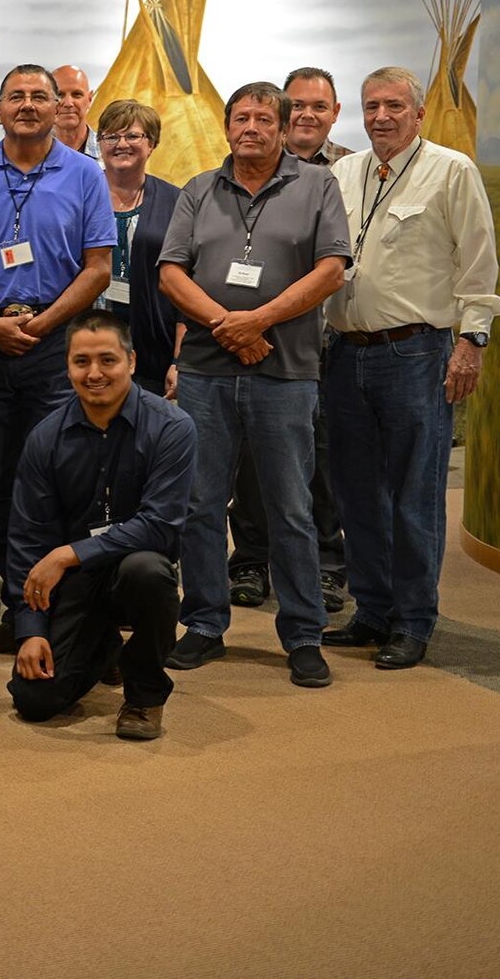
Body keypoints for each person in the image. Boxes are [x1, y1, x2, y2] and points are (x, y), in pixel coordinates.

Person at [157, 82, 350, 688]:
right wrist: (228, 326)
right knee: (199, 504)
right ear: (226, 126)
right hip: (206, 375)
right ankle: (206, 625)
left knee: (290, 506)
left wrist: (260, 321)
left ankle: (302, 634)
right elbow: (170, 272)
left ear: (282, 126)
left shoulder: (319, 185)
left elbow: (332, 269)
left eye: (264, 119)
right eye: (241, 118)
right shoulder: (197, 189)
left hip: (285, 374)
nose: (251, 128)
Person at [322, 66, 500, 670]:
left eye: (394, 105)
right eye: (372, 106)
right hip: (346, 354)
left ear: (418, 114)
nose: (381, 117)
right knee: (357, 494)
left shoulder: (452, 170)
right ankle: (372, 611)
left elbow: (478, 263)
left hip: (415, 354)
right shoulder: (344, 173)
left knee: (415, 494)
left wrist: (471, 340)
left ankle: (414, 620)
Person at [0, 64, 113, 653]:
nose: (28, 105)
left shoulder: (86, 175)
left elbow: (99, 267)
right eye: (16, 96)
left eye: (40, 96)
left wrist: (43, 323)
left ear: (58, 106)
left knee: (58, 479)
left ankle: (68, 610)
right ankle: (21, 611)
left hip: (54, 348)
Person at [6, 311, 195, 740]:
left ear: (131, 361)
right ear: (67, 366)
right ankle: (104, 644)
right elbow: (26, 539)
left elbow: (161, 524)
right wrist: (30, 632)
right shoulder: (45, 437)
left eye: (107, 360)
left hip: (136, 572)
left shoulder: (172, 428)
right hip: (76, 582)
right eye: (81, 362)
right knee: (34, 701)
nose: (94, 374)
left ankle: (145, 694)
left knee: (147, 571)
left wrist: (69, 552)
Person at [227, 66, 352, 613]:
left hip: (324, 342)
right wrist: (247, 326)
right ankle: (251, 558)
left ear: (333, 114)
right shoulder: (233, 175)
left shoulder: (348, 171)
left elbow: (335, 264)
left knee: (320, 460)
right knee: (252, 460)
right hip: (247, 341)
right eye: (295, 105)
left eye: (316, 107)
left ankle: (325, 564)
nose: (305, 115)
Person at [93, 99, 182, 396]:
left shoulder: (176, 201)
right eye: (111, 136)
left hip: (154, 347)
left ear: (152, 143)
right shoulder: (80, 194)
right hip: (87, 340)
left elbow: (188, 286)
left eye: (132, 136)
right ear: (99, 142)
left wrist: (178, 360)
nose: (121, 144)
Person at [51, 64, 103, 160]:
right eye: (59, 95)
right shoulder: (31, 153)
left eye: (76, 95)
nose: (68, 103)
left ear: (89, 99)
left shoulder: (109, 151)